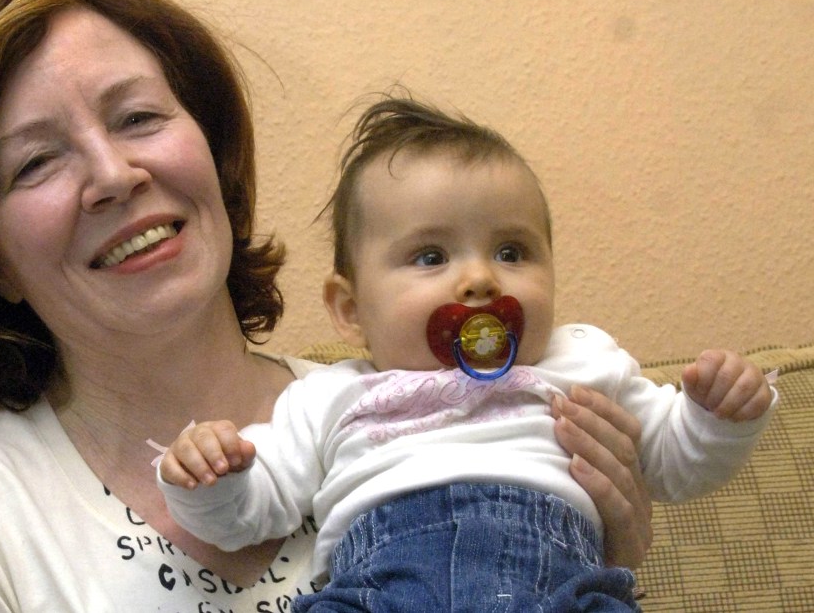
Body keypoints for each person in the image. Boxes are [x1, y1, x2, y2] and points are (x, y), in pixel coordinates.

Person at [0, 0, 655, 612]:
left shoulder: (414, 403)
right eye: (36, 162)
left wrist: (604, 548)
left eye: (138, 117)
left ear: (210, 148)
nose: (115, 175)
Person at [158, 95, 777, 611]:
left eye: (512, 252)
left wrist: (716, 413)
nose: (481, 279)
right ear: (350, 311)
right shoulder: (328, 396)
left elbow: (673, 461)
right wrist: (209, 476)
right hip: (376, 593)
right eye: (431, 257)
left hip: (561, 587)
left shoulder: (581, 361)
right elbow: (253, 507)